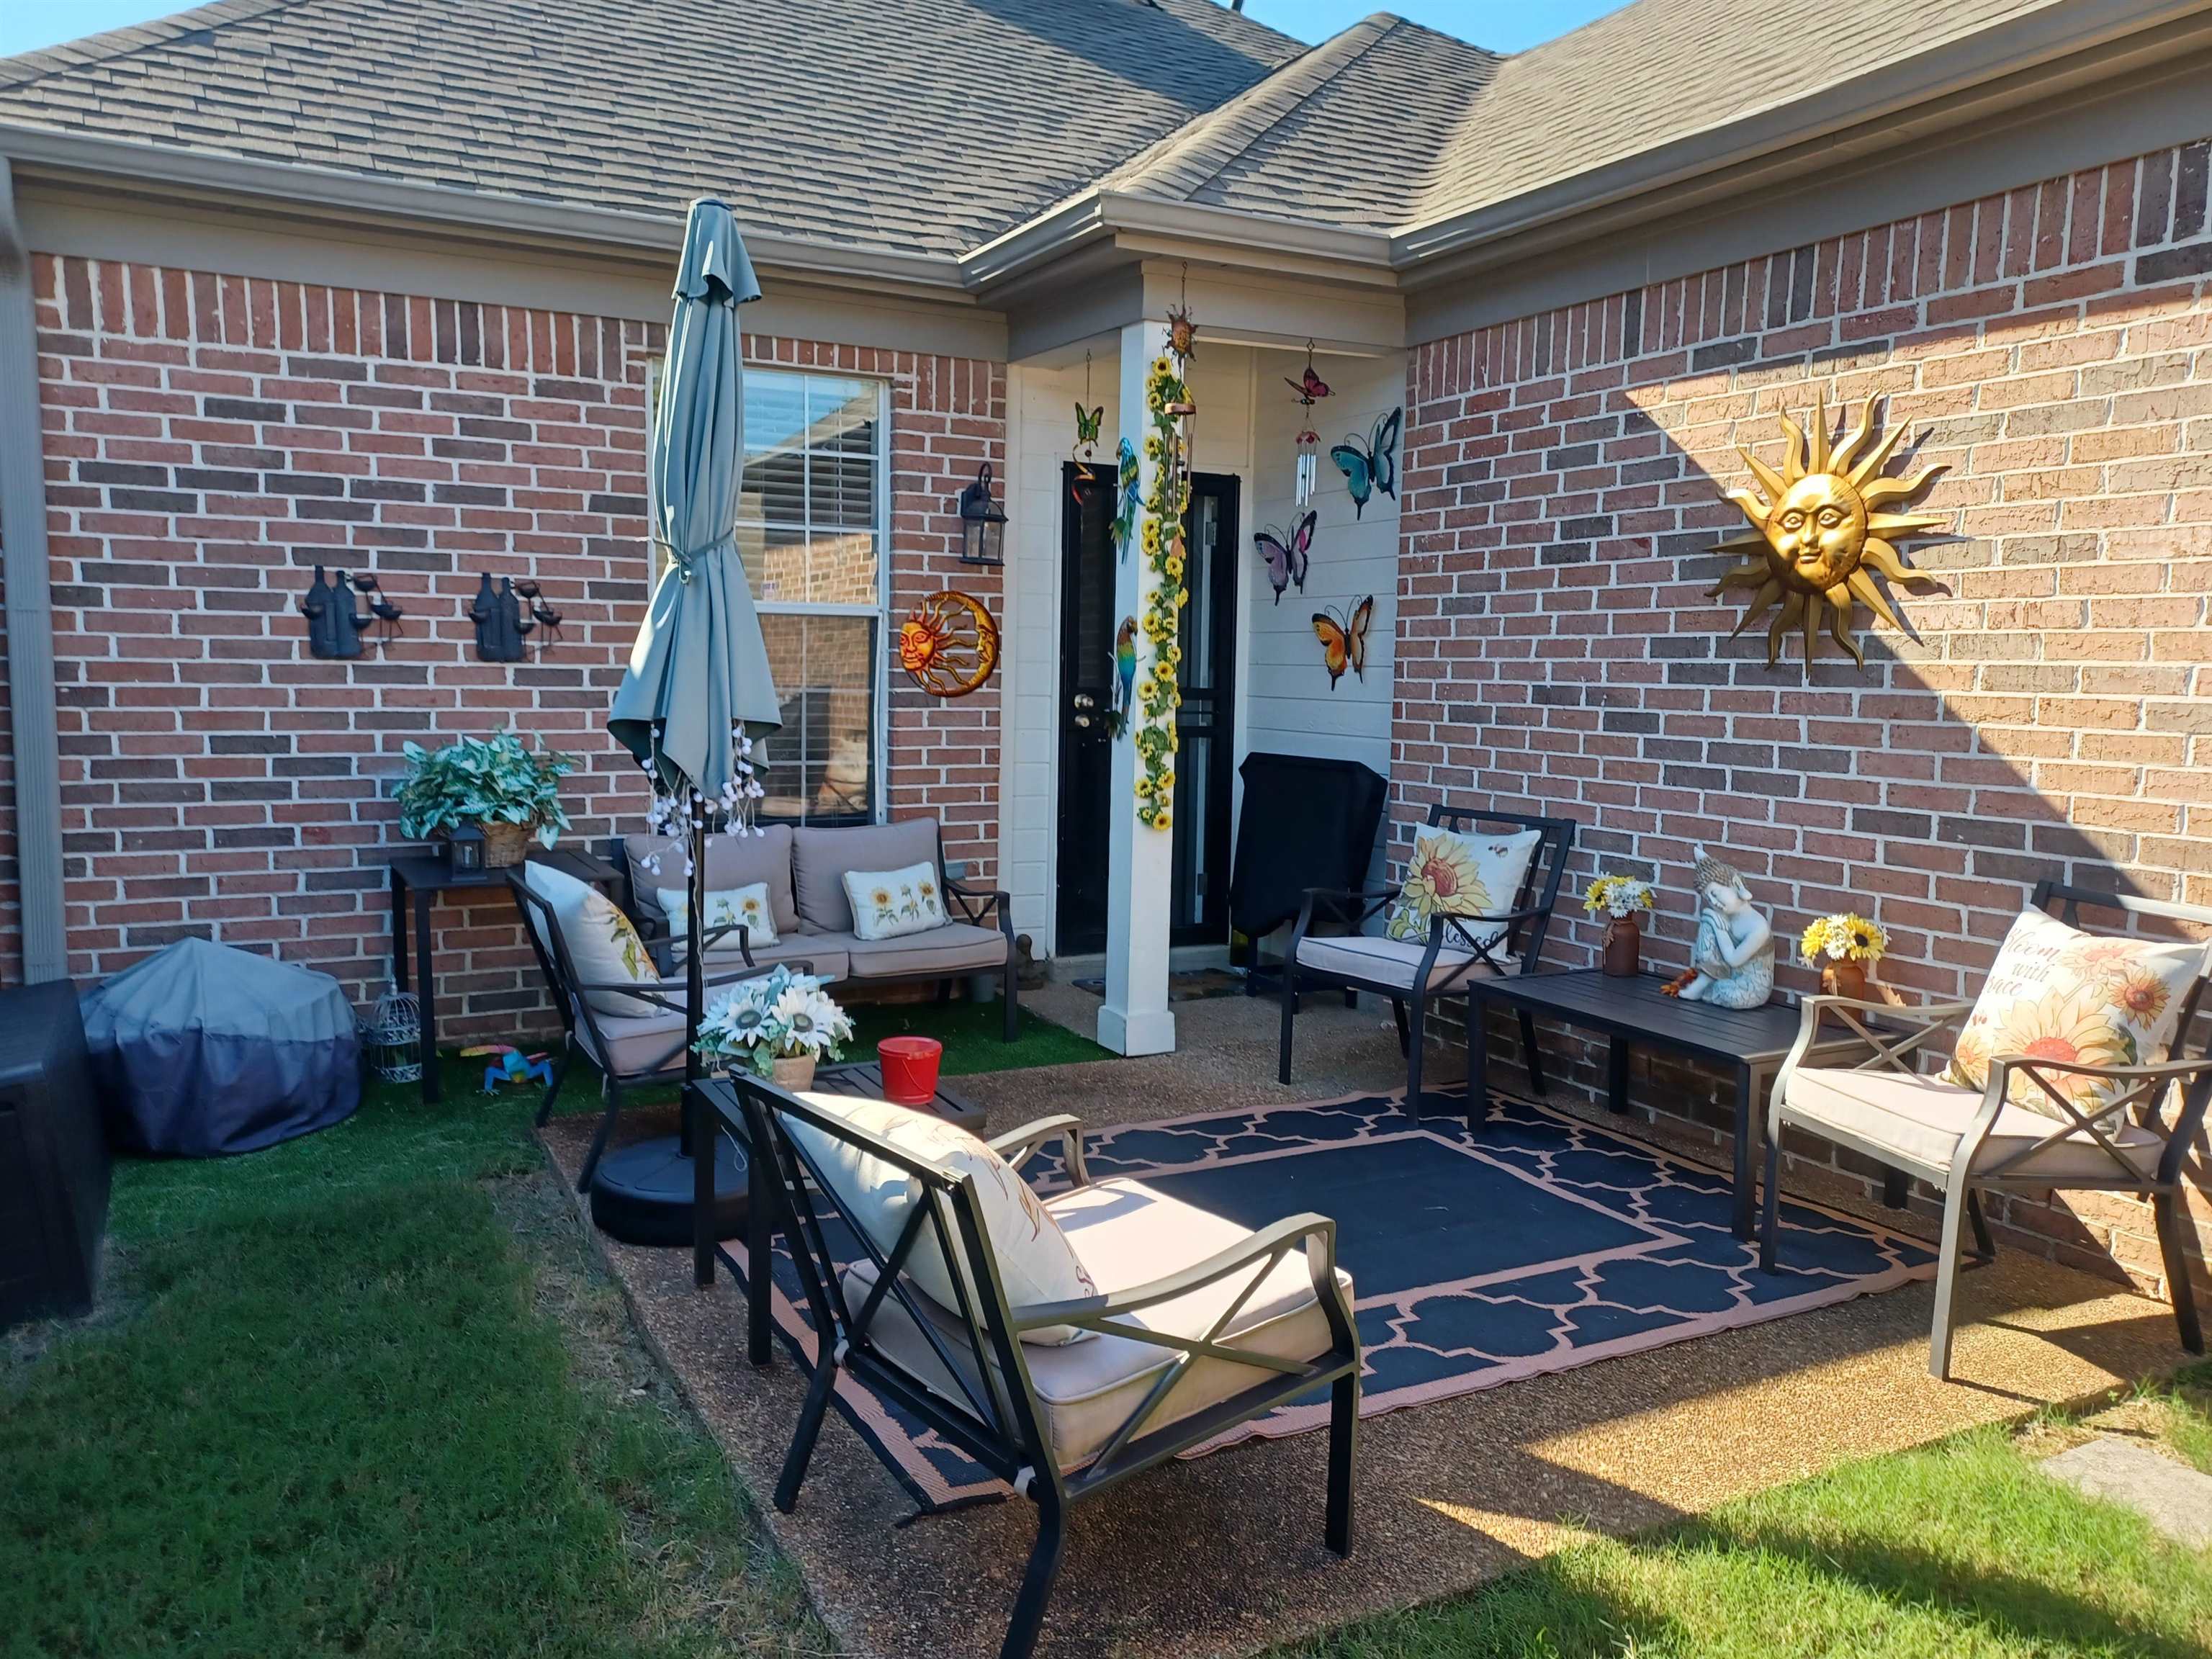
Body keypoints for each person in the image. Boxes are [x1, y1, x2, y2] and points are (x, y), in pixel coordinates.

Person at [1671, 845, 1774, 1008]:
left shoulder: (1758, 926)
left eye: (1715, 894)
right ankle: (1702, 985)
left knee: (1729, 994)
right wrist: (1711, 918)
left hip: (1750, 987)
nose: (1714, 903)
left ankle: (1707, 987)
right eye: (1708, 899)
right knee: (1708, 923)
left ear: (1736, 884)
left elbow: (1733, 960)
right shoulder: (1722, 916)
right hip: (1726, 977)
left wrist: (1715, 923)